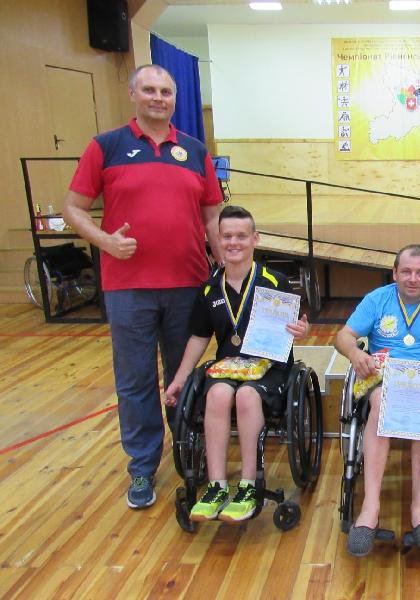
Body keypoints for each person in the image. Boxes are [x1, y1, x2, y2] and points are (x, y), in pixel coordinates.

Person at [63, 64, 224, 509]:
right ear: (133, 94)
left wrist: (224, 266)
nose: (158, 98)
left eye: (166, 92)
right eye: (149, 90)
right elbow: (73, 208)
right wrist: (105, 242)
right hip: (127, 288)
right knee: (135, 381)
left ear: (175, 99)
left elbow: (212, 215)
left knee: (184, 376)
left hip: (188, 284)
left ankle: (188, 452)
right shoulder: (106, 146)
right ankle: (142, 466)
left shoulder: (194, 151)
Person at [164, 205, 310, 523]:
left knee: (246, 395)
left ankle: (248, 484)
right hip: (228, 367)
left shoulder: (274, 281)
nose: (233, 243)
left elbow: (299, 324)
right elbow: (199, 337)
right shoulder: (209, 289)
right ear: (217, 239)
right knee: (217, 394)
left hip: (270, 369)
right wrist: (179, 379)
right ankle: (216, 486)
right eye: (227, 236)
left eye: (241, 236)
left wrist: (302, 329)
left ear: (255, 239)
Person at [335, 244, 420, 556]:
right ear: (395, 273)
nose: (413, 278)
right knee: (381, 402)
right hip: (382, 377)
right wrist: (355, 352)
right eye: (406, 271)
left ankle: (419, 510)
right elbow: (343, 336)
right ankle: (370, 508)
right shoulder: (377, 299)